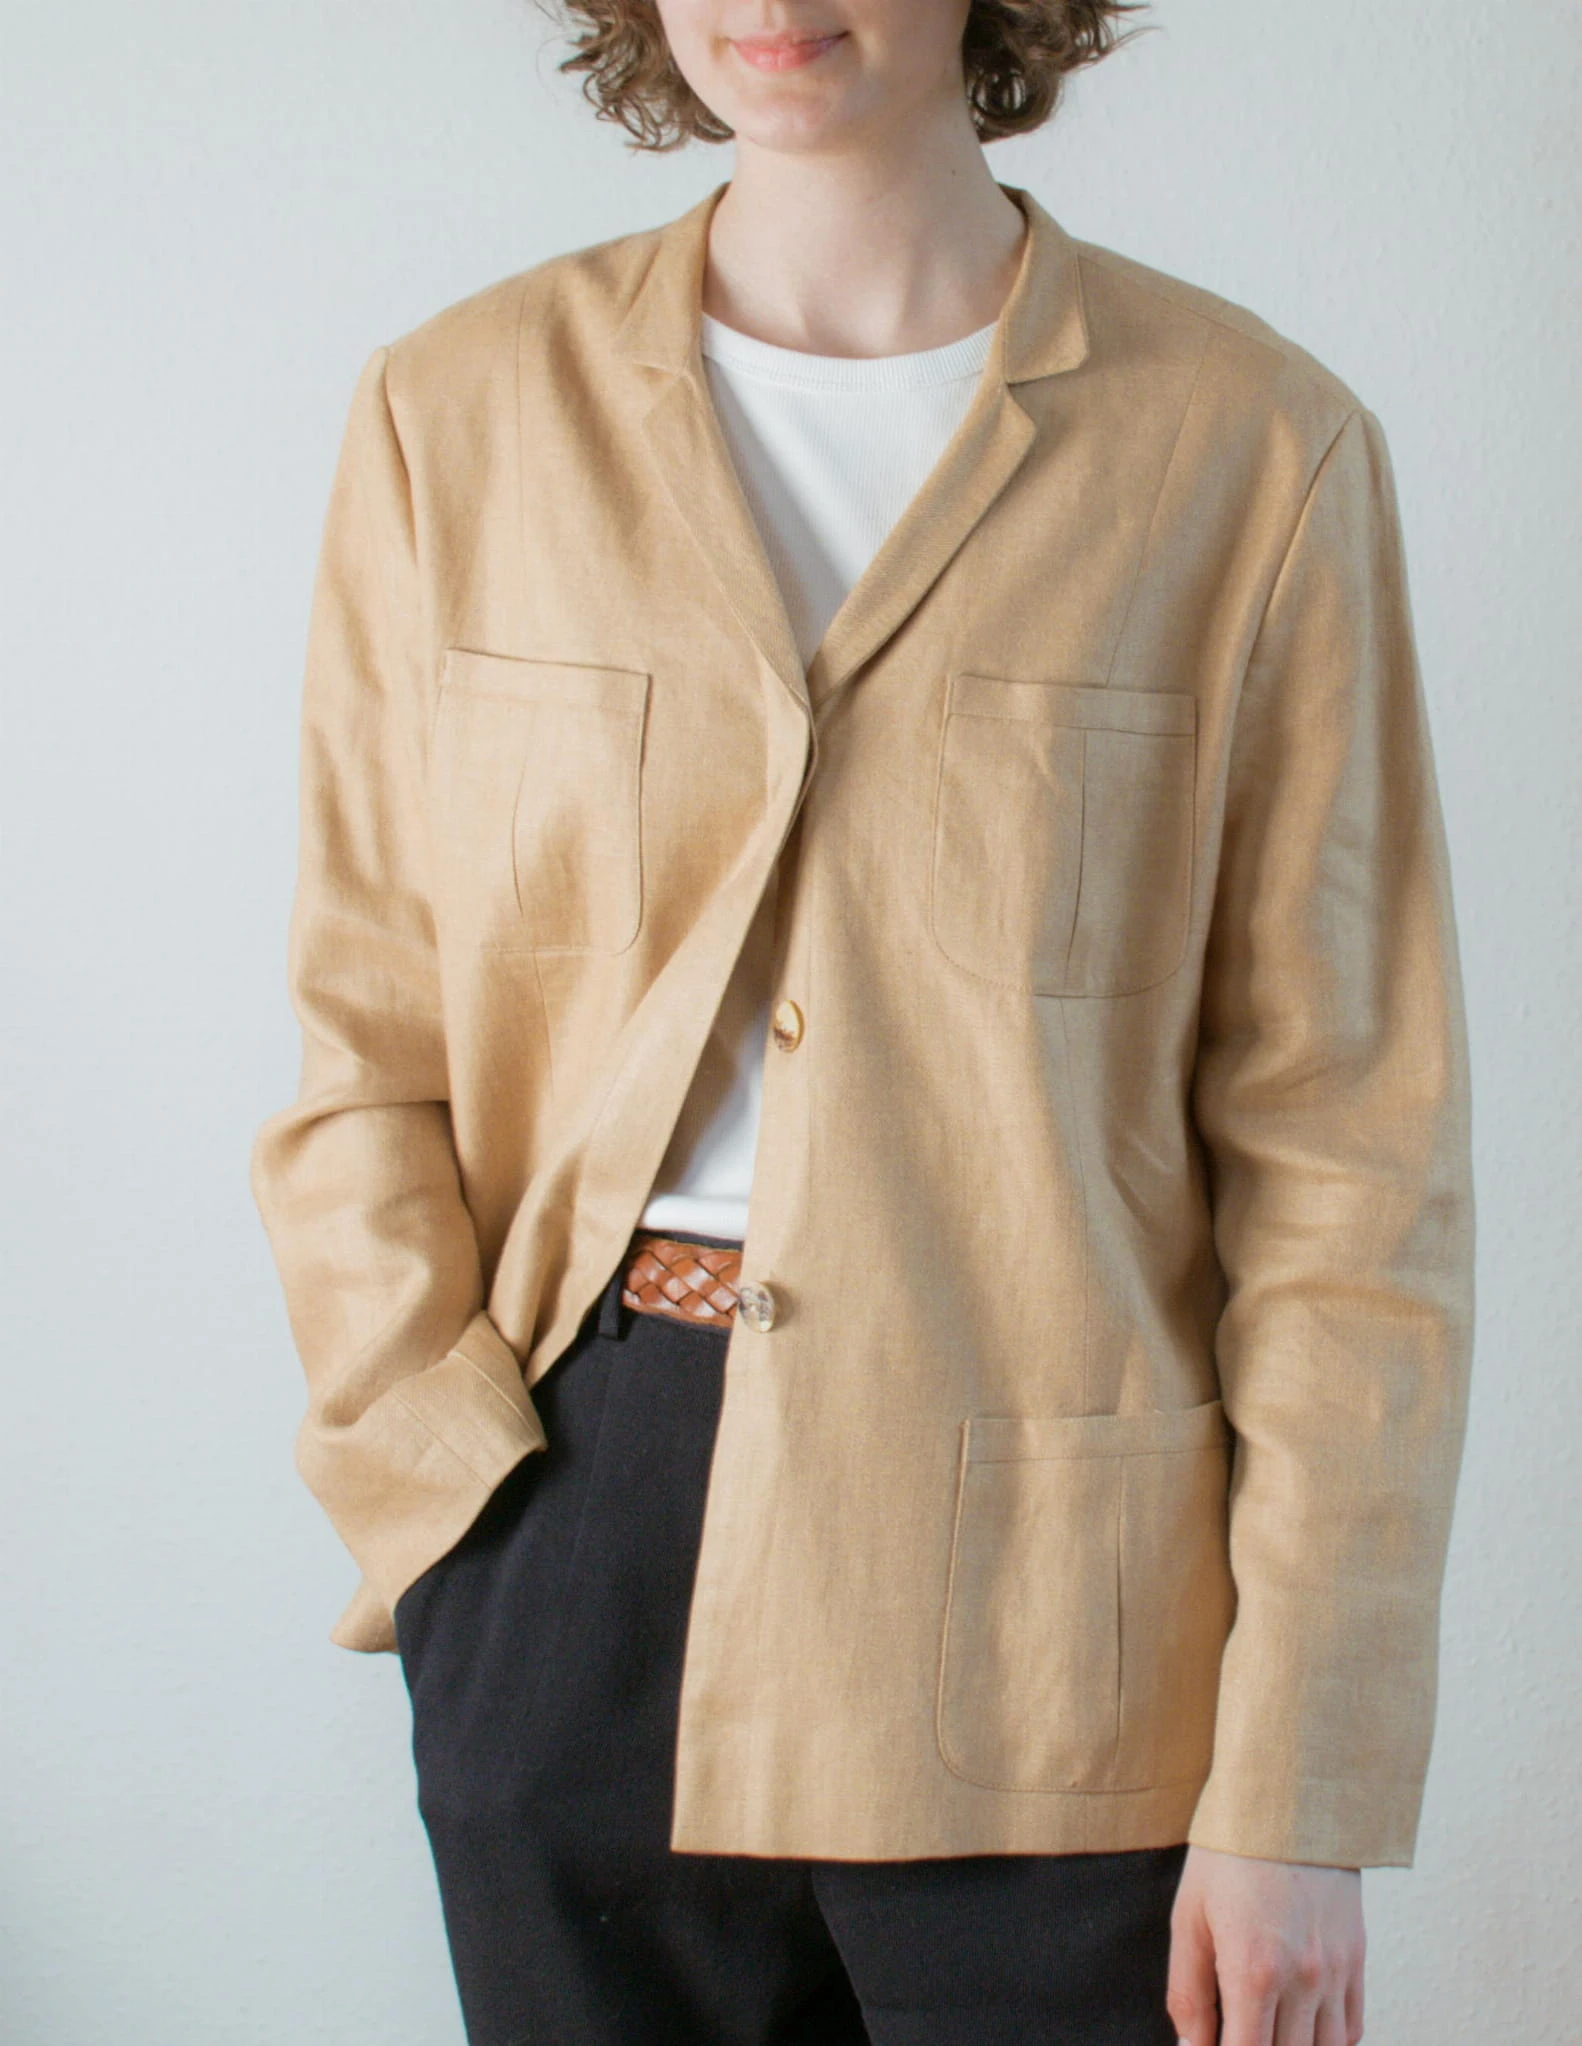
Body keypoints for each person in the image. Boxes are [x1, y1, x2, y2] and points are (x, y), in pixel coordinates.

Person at [249, 4, 1475, 2042]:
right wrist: (435, 1474)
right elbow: (366, 1030)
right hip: (572, 1528)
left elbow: (1348, 1163)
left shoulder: (1247, 448)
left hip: (1060, 1598)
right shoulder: (456, 417)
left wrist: (1299, 1784)